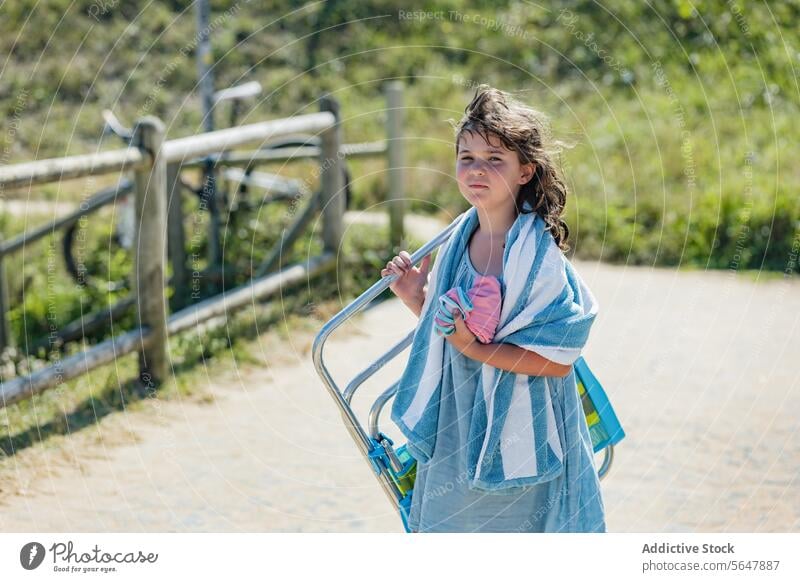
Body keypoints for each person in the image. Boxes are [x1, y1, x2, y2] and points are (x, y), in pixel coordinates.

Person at [381, 84, 605, 533]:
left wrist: (471, 347)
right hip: (456, 420)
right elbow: (460, 331)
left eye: (494, 159)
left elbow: (557, 361)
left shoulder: (536, 257)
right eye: (467, 158)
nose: (477, 170)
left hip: (518, 424)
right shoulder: (455, 242)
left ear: (525, 171)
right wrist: (418, 301)